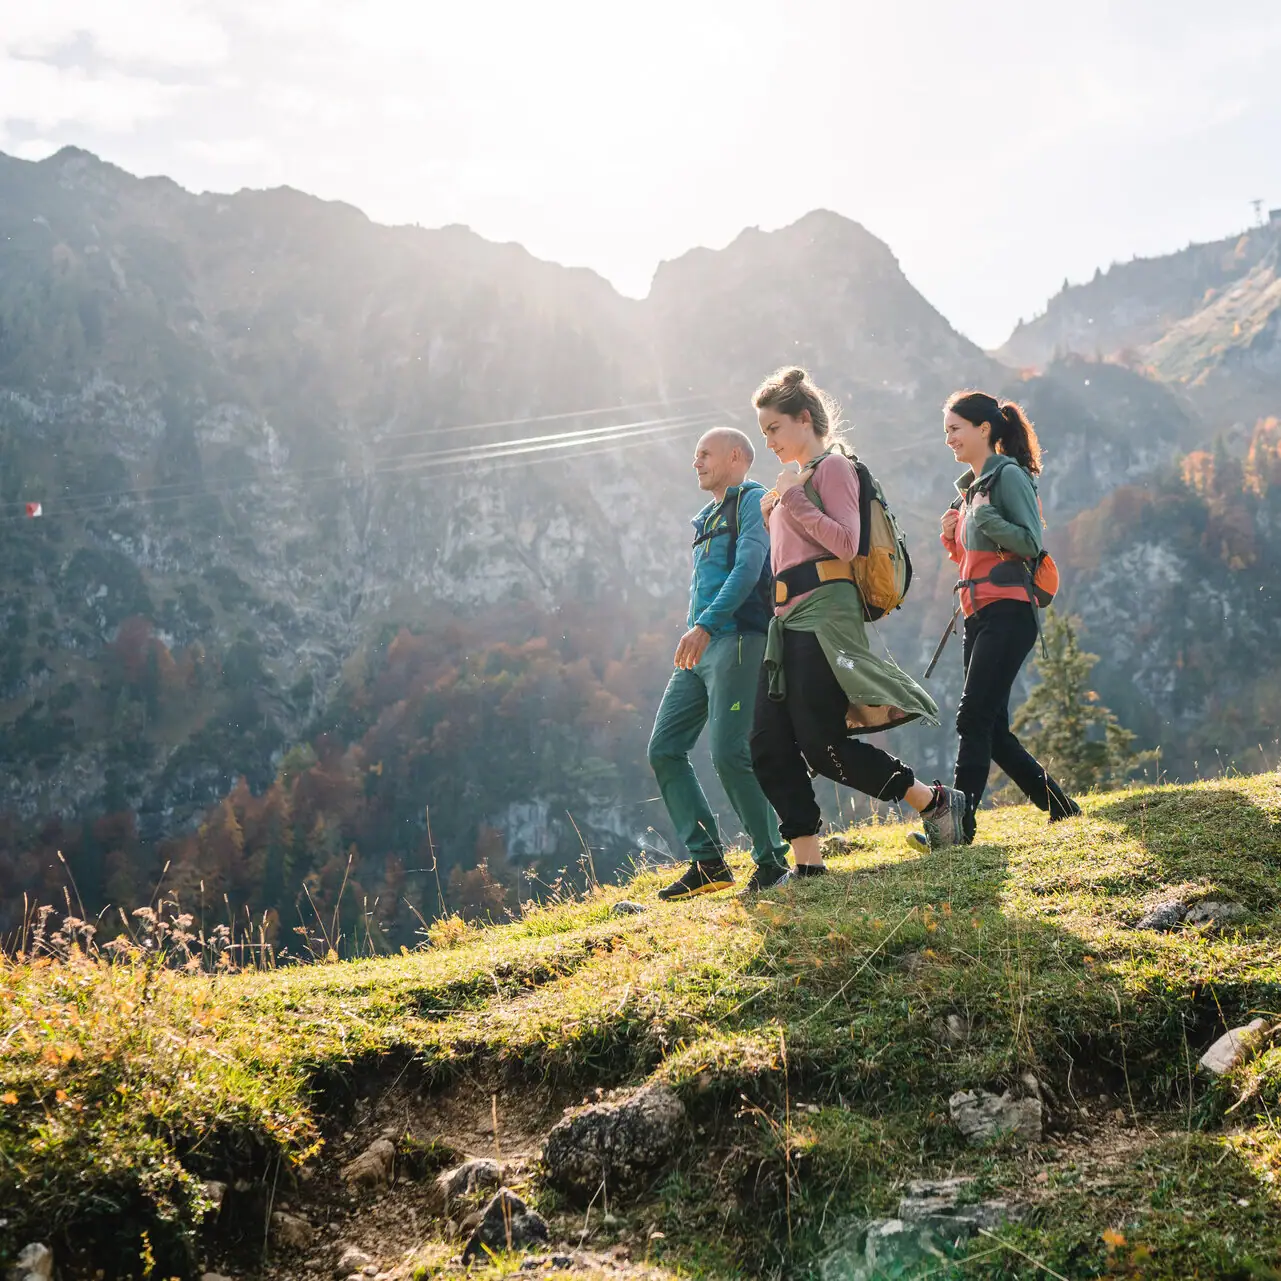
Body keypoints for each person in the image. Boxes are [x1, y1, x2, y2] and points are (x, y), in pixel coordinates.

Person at [749, 367, 968, 873]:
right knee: (767, 742)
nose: (770, 441)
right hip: (787, 622)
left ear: (803, 419)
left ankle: (935, 804)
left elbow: (847, 543)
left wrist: (793, 498)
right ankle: (808, 866)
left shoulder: (833, 470)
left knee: (822, 745)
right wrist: (775, 511)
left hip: (826, 617)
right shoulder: (795, 480)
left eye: (774, 429)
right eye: (764, 433)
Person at [650, 427, 793, 900]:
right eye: (694, 456)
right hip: (699, 646)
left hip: (736, 641)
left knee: (729, 752)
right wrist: (697, 627)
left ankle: (771, 861)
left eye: (704, 454)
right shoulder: (706, 517)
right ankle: (708, 860)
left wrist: (706, 624)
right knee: (665, 748)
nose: (696, 462)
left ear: (735, 457)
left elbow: (750, 567)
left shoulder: (752, 501)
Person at [939, 389, 1081, 842]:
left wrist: (983, 518)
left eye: (955, 429)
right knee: (992, 729)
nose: (949, 440)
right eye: (946, 432)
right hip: (978, 614)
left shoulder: (1009, 476)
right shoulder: (972, 491)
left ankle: (958, 827)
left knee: (972, 718)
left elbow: (1029, 542)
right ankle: (1062, 809)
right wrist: (953, 536)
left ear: (984, 429)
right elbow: (975, 555)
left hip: (1009, 612)